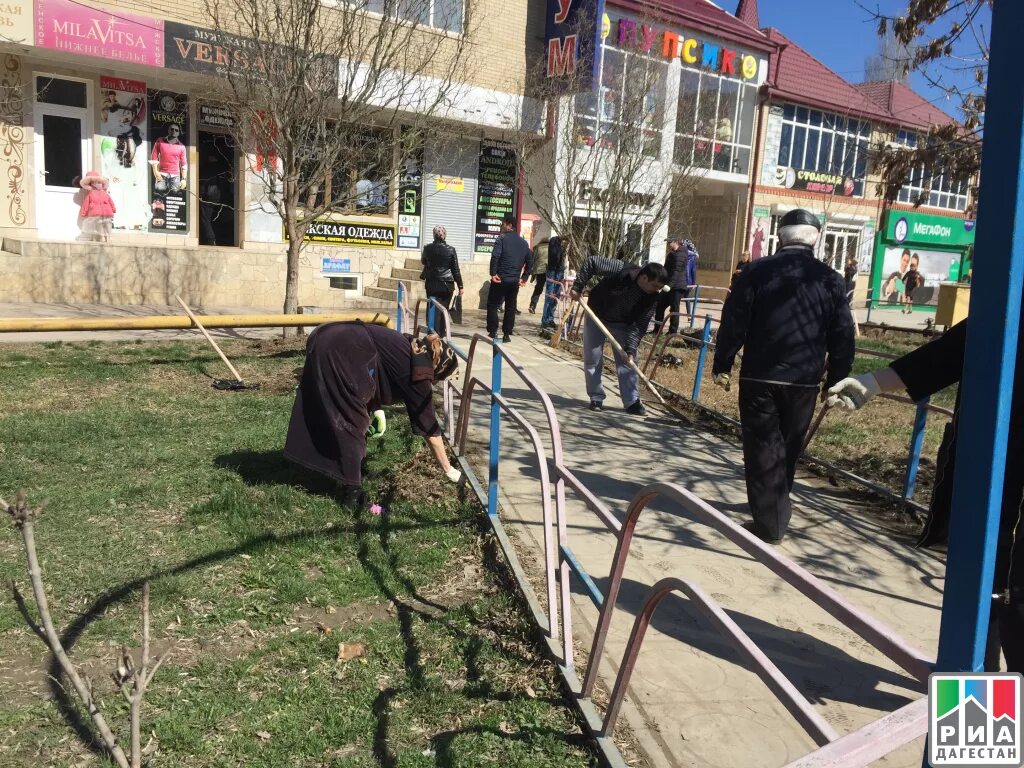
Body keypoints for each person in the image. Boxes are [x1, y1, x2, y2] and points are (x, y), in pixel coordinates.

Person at [826, 319, 1022, 673]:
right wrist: (871, 383)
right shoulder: (1012, 304)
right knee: (982, 601)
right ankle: (979, 703)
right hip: (993, 487)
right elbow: (952, 350)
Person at [712, 208, 855, 544]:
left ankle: (770, 521)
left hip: (760, 375)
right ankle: (775, 508)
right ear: (816, 238)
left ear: (779, 236)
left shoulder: (755, 272)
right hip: (804, 379)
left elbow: (734, 320)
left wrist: (724, 363)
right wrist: (837, 376)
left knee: (763, 447)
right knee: (787, 447)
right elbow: (843, 333)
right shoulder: (830, 280)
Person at [284, 322, 461, 507]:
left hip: (329, 337)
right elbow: (429, 428)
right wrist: (448, 470)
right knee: (352, 419)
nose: (436, 383)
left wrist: (376, 408)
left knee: (341, 409)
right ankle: (351, 491)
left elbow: (378, 368)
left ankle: (350, 470)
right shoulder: (418, 371)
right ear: (438, 368)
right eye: (440, 378)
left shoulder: (414, 349)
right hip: (341, 348)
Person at [570, 255, 668, 414]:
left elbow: (639, 326)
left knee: (628, 362)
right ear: (643, 277)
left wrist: (630, 349)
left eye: (660, 287)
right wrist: (578, 286)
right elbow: (592, 262)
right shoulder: (622, 269)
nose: (657, 289)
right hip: (597, 314)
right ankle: (596, 397)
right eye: (655, 285)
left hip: (623, 323)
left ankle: (632, 401)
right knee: (592, 358)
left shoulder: (653, 297)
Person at [487, 214, 532, 342]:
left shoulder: (501, 239)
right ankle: (506, 334)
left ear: (509, 225)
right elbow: (530, 261)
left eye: (503, 224)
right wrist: (524, 277)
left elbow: (495, 256)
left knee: (493, 304)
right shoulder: (524, 243)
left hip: (500, 278)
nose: (501, 227)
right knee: (510, 307)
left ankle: (493, 331)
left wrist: (493, 273)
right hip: (514, 281)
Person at [420, 225, 463, 338]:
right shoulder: (451, 250)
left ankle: (431, 333)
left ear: (434, 235)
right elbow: (455, 270)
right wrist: (461, 286)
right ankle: (442, 334)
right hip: (447, 285)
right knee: (444, 310)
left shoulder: (427, 248)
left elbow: (423, 261)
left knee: (432, 308)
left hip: (432, 284)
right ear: (445, 235)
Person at [654, 239, 684, 335]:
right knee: (659, 305)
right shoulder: (672, 254)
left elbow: (676, 272)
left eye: (669, 242)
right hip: (669, 285)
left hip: (677, 286)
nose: (668, 245)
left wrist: (669, 285)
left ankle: (672, 332)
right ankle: (657, 330)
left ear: (676, 242)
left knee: (674, 309)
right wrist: (661, 282)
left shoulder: (680, 254)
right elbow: (666, 270)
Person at [150, 123, 187, 193]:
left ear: (179, 133)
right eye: (172, 129)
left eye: (176, 130)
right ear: (168, 130)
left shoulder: (182, 147)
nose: (174, 131)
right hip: (161, 174)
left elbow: (184, 164)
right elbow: (154, 157)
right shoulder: (160, 140)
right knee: (159, 195)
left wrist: (184, 179)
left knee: (174, 197)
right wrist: (156, 172)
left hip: (175, 176)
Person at [540, 235, 566, 331]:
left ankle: (550, 319)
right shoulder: (554, 240)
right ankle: (546, 320)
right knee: (550, 296)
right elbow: (555, 256)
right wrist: (562, 248)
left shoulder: (563, 243)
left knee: (556, 297)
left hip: (559, 271)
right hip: (553, 270)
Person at [528, 238, 550, 314]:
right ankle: (547, 311)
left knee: (538, 288)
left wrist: (531, 269)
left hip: (539, 270)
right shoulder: (551, 247)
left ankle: (532, 305)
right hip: (549, 270)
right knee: (550, 290)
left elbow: (532, 259)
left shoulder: (537, 247)